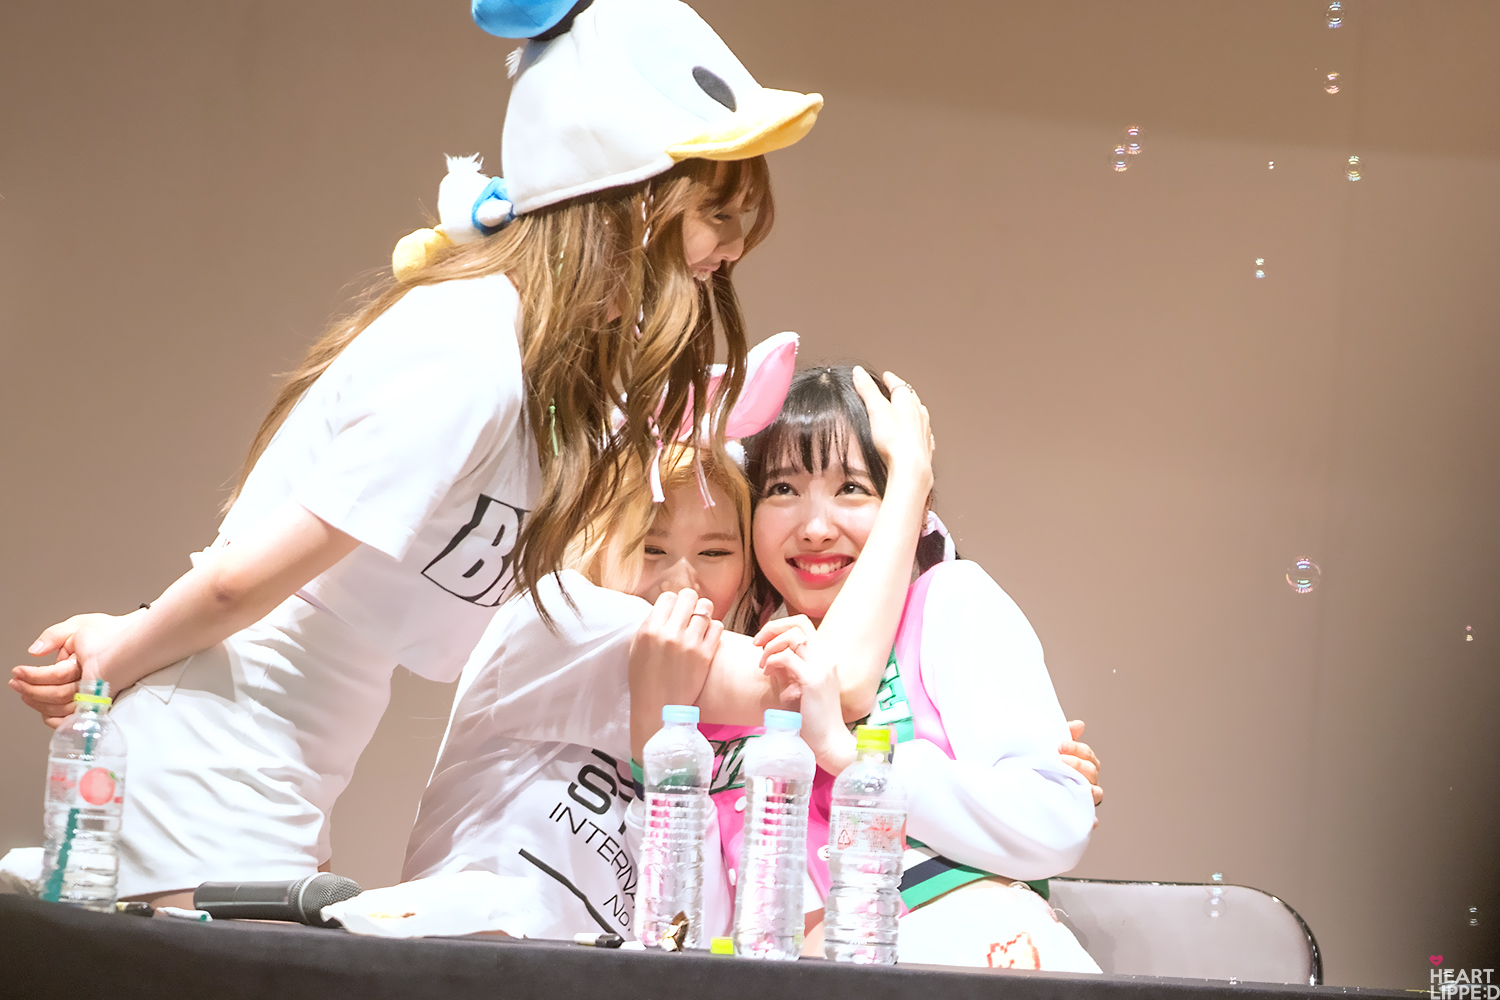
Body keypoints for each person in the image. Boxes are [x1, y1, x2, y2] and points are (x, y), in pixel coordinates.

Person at [8, 0, 823, 907]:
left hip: (278, 771)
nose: (735, 246)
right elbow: (245, 581)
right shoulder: (469, 348)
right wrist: (116, 659)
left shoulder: (550, 388)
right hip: (208, 751)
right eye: (718, 211)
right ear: (629, 202)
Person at [401, 339, 938, 939]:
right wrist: (908, 482)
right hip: (468, 955)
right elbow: (833, 685)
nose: (682, 580)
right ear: (599, 535)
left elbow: (687, 922)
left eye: (715, 552)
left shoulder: (725, 724)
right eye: (651, 547)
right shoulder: (561, 618)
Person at [714, 363, 1103, 970]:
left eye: (852, 489)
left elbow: (1055, 823)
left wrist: (857, 760)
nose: (815, 529)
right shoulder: (735, 668)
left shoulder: (951, 602)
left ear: (907, 506)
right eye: (783, 489)